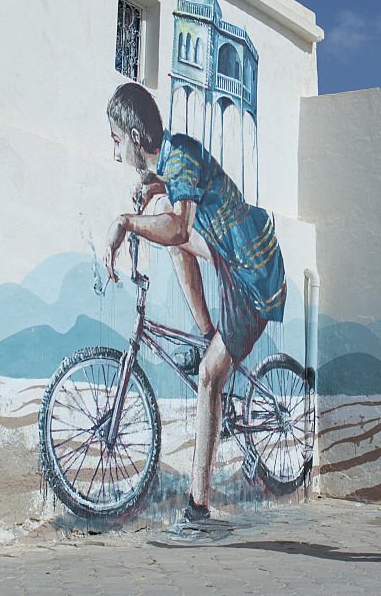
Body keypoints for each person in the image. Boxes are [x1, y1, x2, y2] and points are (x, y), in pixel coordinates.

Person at [102, 82, 286, 523]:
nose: (113, 153)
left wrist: (127, 222)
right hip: (227, 252)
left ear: (135, 137)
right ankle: (207, 333)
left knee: (209, 377)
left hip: (251, 272)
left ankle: (198, 501)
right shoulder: (169, 158)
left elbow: (181, 228)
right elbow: (174, 216)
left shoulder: (180, 154)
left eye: (115, 140)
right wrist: (149, 188)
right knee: (167, 228)